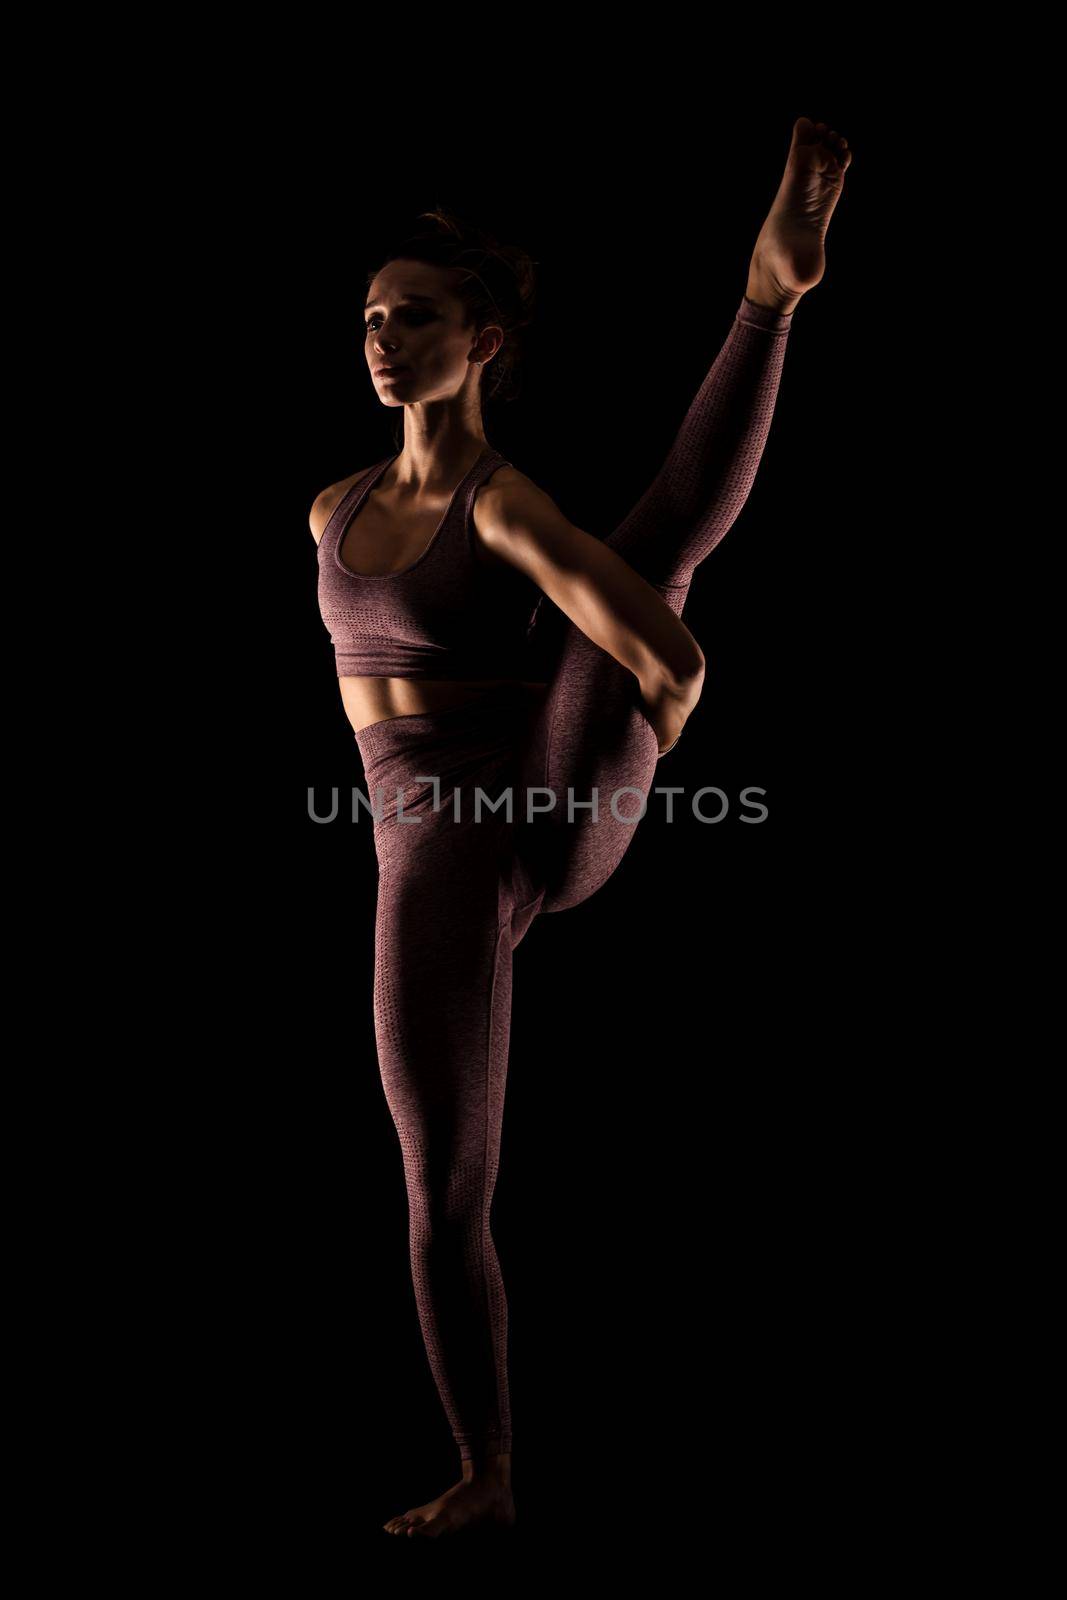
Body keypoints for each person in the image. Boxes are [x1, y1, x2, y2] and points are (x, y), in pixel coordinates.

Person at [309, 115, 852, 1539]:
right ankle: (488, 1463)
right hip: (424, 844)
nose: (379, 337)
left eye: (413, 318)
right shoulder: (331, 505)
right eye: (369, 316)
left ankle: (765, 297)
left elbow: (666, 655)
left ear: (479, 342)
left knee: (654, 562)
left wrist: (644, 737)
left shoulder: (502, 505)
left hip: (536, 820)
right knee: (442, 1182)